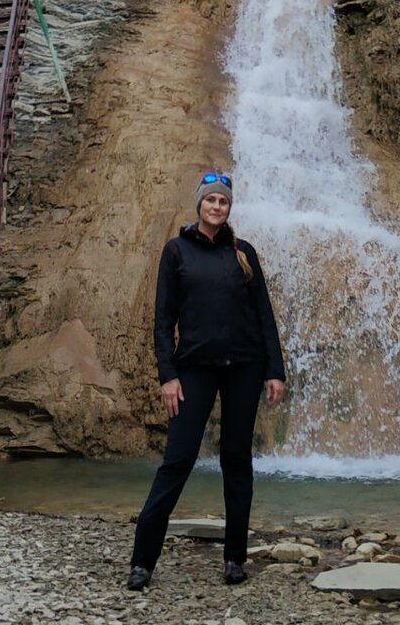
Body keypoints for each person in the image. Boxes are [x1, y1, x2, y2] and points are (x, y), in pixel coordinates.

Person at [127, 171, 287, 591]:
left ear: (229, 207)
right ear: (199, 204)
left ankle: (235, 558)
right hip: (194, 369)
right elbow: (163, 321)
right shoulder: (177, 251)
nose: (217, 206)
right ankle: (142, 562)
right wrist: (168, 376)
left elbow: (264, 317)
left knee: (237, 460)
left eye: (223, 201)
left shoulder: (244, 252)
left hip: (245, 367)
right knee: (177, 460)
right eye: (211, 200)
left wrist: (275, 370)